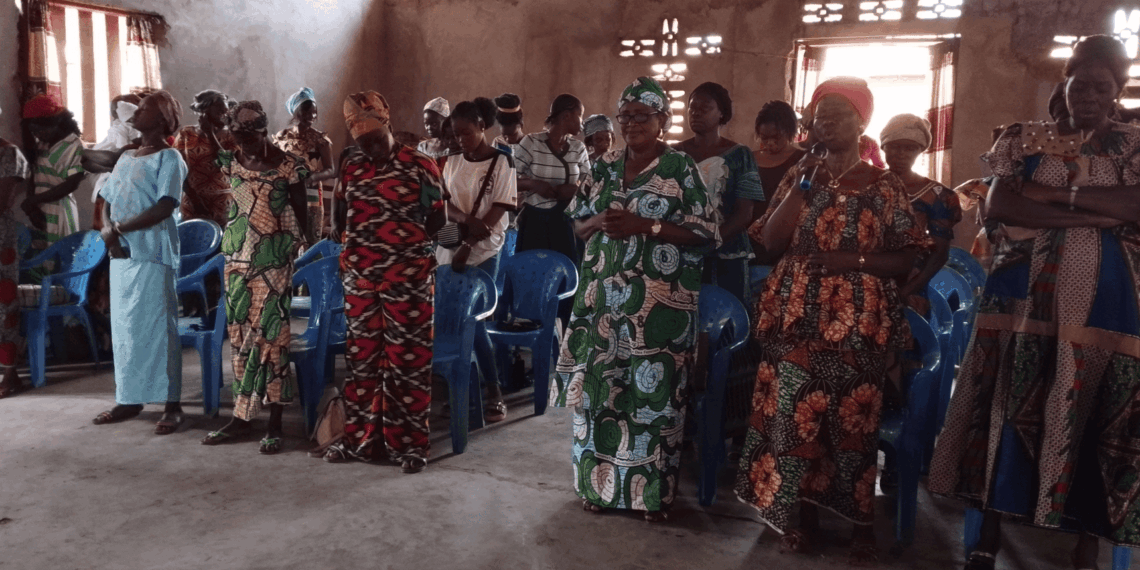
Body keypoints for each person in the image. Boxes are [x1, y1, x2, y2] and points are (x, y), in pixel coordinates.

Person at [929, 36, 1140, 570]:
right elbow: (1001, 204)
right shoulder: (1025, 139)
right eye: (1080, 84)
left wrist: (1049, 198)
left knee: (1094, 412)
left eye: (1102, 87)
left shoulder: (1133, 145)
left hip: (1106, 307)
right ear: (1064, 84)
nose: (1088, 95)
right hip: (1022, 299)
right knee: (1007, 401)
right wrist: (1095, 215)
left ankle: (1085, 545)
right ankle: (988, 533)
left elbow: (1137, 205)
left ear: (1117, 92)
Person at [735, 77, 930, 566]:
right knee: (796, 418)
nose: (825, 123)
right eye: (819, 116)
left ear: (862, 121)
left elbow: (907, 257)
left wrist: (853, 261)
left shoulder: (883, 185)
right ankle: (803, 518)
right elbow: (771, 241)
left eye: (837, 114)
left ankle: (861, 523)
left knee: (852, 423)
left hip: (859, 322)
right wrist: (802, 186)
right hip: (795, 317)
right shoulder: (801, 174)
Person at [549, 77, 718, 522]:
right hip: (602, 303)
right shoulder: (603, 166)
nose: (632, 124)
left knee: (652, 399)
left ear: (663, 119)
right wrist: (599, 222)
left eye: (642, 116)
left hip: (659, 310)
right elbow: (578, 225)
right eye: (625, 117)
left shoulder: (681, 168)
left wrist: (647, 227)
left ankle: (651, 497)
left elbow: (706, 232)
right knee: (599, 394)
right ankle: (597, 488)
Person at [322, 91, 446, 473]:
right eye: (363, 143)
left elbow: (438, 220)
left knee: (408, 363)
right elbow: (341, 209)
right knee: (362, 363)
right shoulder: (352, 165)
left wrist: (403, 247)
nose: (371, 150)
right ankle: (361, 441)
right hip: (360, 282)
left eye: (375, 140)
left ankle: (409, 446)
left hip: (408, 280)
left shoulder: (420, 164)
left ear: (388, 124)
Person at [200, 101, 309, 454]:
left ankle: (275, 423)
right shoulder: (231, 161)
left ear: (264, 131)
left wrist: (306, 250)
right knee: (240, 339)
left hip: (274, 263)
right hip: (235, 261)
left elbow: (302, 214)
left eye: (249, 138)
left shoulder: (290, 167)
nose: (243, 145)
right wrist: (210, 120)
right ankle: (242, 417)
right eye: (237, 139)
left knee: (273, 339)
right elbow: (212, 140)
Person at [90, 91, 189, 434]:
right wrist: (109, 232)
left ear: (161, 119)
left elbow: (165, 205)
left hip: (153, 252)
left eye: (144, 108)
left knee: (159, 328)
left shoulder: (170, 158)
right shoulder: (127, 156)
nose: (136, 111)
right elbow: (108, 197)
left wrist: (119, 229)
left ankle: (172, 404)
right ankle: (129, 399)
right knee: (126, 328)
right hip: (122, 252)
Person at [436, 97, 517, 423]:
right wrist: (466, 222)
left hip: (485, 250)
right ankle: (457, 388)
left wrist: (470, 242)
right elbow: (444, 203)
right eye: (456, 134)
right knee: (449, 319)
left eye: (466, 132)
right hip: (450, 245)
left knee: (474, 319)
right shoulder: (452, 160)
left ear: (482, 127)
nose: (460, 139)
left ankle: (493, 390)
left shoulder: (502, 161)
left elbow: (499, 209)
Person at [673, 82, 764, 306]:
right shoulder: (674, 154)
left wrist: (712, 240)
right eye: (692, 108)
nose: (696, 113)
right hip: (682, 252)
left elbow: (745, 213)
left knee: (727, 314)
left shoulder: (739, 155)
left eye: (705, 108)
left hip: (728, 255)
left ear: (721, 113)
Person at [881, 113, 962, 315]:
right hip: (867, 275)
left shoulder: (938, 196)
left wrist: (907, 291)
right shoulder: (867, 186)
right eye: (895, 146)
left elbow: (939, 253)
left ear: (920, 150)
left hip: (911, 283)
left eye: (910, 148)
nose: (901, 154)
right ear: (883, 147)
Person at [514, 94, 588, 267]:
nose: (582, 123)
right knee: (531, 271)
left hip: (565, 224)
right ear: (566, 116)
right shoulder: (531, 143)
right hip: (534, 223)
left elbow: (591, 185)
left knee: (564, 272)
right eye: (580, 115)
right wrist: (532, 184)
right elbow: (506, 181)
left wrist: (575, 191)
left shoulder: (578, 148)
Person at [20, 93, 84, 254]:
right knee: (43, 257)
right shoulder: (41, 145)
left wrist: (34, 200)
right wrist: (32, 208)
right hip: (40, 210)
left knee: (60, 256)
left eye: (41, 129)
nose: (38, 135)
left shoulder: (72, 144)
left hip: (60, 210)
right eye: (34, 131)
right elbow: (34, 176)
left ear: (57, 123)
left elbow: (72, 182)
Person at [274, 87, 336, 244]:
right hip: (285, 193)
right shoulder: (282, 137)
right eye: (306, 111)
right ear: (295, 112)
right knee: (287, 239)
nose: (312, 116)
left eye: (314, 112)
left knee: (309, 238)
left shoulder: (320, 139)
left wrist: (312, 178)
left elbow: (330, 169)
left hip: (311, 194)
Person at [0, 104, 30, 399]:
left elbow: (3, 200)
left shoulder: (9, 154)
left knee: (3, 305)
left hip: (1, 240)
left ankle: (10, 374)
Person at [173, 89, 237, 227]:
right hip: (192, 201)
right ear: (204, 111)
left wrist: (210, 134)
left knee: (223, 238)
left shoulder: (232, 136)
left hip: (224, 203)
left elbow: (227, 164)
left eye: (226, 112)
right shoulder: (186, 134)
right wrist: (195, 200)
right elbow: (178, 169)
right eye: (219, 112)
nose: (224, 116)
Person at [753, 101, 805, 220]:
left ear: (789, 131)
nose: (770, 143)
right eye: (764, 138)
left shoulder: (801, 160)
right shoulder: (750, 158)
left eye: (776, 137)